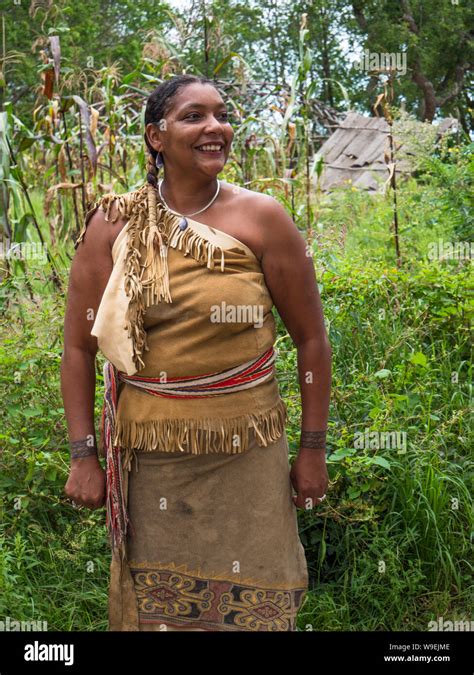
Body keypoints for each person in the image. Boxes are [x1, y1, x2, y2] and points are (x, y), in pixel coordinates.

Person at [61, 74, 331, 632]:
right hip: (152, 458)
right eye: (193, 116)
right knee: (162, 611)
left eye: (221, 115)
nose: (215, 128)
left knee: (252, 604)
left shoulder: (262, 218)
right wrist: (83, 454)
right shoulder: (115, 223)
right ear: (155, 137)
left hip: (248, 449)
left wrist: (312, 449)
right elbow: (77, 348)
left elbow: (311, 340)